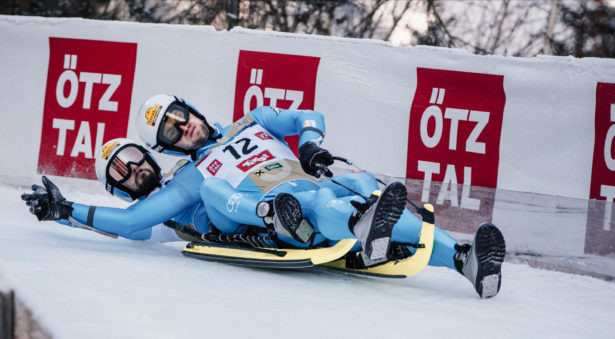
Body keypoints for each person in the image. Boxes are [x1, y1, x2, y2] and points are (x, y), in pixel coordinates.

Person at [134, 94, 506, 298]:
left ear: (191, 107)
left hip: (308, 184)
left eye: (180, 115)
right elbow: (137, 222)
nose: (184, 127)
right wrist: (73, 212)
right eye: (172, 132)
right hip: (281, 215)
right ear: (165, 147)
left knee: (359, 183)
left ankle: (464, 258)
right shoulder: (190, 176)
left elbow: (308, 115)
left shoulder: (252, 120)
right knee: (321, 204)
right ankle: (361, 226)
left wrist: (310, 145)